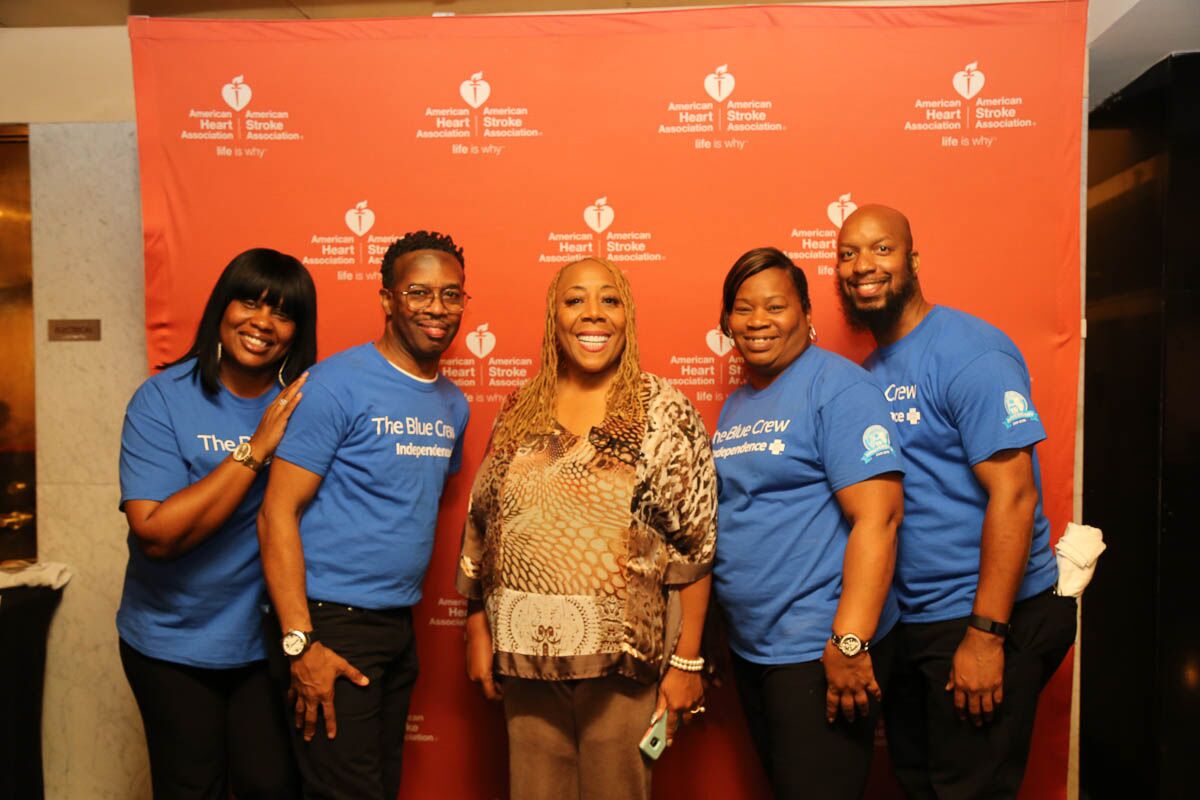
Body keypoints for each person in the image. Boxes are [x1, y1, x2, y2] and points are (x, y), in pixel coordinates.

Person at [835, 205, 1077, 798]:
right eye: (847, 254)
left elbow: (1015, 496)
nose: (863, 266)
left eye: (881, 249)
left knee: (968, 790)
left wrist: (986, 635)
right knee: (921, 785)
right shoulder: (868, 371)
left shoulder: (971, 352)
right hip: (915, 623)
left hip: (985, 614)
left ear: (913, 261)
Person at [457, 257, 716, 800]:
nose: (592, 315)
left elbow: (694, 545)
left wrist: (687, 661)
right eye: (575, 300)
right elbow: (484, 524)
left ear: (629, 316)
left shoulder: (662, 409)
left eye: (610, 300)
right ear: (554, 316)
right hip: (526, 663)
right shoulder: (519, 409)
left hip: (625, 665)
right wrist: (477, 626)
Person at [257, 230, 470, 800]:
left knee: (379, 787)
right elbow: (276, 511)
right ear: (387, 300)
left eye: (452, 295)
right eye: (419, 293)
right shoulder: (335, 385)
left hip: (395, 626)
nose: (437, 309)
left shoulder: (453, 402)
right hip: (329, 624)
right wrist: (301, 642)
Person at [118, 247, 317, 799]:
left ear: (295, 330)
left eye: (281, 312)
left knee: (272, 786)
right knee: (191, 789)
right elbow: (155, 534)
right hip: (170, 643)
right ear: (221, 308)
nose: (261, 322)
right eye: (249, 302)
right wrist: (255, 450)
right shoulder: (161, 399)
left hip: (263, 645)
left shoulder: (303, 404)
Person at [711, 247, 905, 799]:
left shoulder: (839, 388)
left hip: (818, 649)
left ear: (806, 313)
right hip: (756, 648)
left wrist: (849, 642)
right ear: (727, 321)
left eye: (775, 306)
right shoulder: (739, 403)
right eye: (743, 309)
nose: (757, 322)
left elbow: (880, 517)